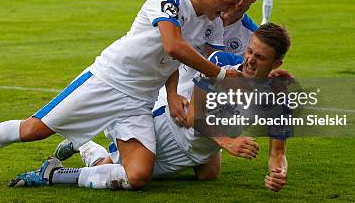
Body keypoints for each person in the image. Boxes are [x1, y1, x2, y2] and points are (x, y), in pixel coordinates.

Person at [0, 0, 261, 191]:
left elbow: (174, 61)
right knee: (32, 130)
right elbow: (172, 46)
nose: (230, 13)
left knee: (137, 177)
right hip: (108, 80)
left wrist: (171, 94)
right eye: (229, 4)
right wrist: (218, 74)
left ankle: (59, 169)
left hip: (139, 100)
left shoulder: (211, 21)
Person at [52, 23, 292, 193]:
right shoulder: (220, 64)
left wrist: (278, 173)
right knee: (120, 172)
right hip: (169, 130)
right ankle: (73, 158)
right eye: (249, 51)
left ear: (276, 63)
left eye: (260, 57)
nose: (249, 60)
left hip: (201, 147)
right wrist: (228, 142)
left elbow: (277, 154)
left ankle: (85, 146)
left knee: (209, 175)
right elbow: (195, 117)